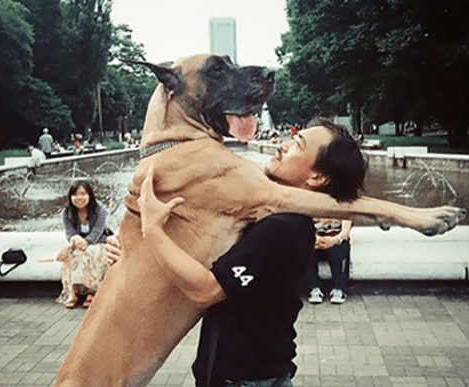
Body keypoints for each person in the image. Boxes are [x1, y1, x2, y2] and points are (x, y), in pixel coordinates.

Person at [107, 118, 366, 386]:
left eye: (297, 145)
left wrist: (152, 231)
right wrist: (132, 254)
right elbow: (202, 258)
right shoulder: (278, 219)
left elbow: (206, 289)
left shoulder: (283, 228)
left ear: (317, 177)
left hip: (246, 379)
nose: (283, 146)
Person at [57, 180, 110, 309]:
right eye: (75, 195)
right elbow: (69, 232)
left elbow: (98, 231)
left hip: (99, 242)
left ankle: (92, 292)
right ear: (70, 197)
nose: (79, 198)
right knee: (70, 255)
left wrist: (86, 242)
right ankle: (72, 292)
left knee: (91, 253)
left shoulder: (100, 210)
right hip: (78, 243)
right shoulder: (67, 212)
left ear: (90, 195)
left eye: (83, 194)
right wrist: (75, 240)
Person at [307, 218, 352, 304]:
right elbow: (305, 228)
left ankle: (338, 288)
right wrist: (316, 239)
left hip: (337, 239)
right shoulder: (312, 207)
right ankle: (314, 288)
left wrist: (333, 240)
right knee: (307, 250)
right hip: (317, 239)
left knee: (336, 252)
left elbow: (345, 232)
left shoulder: (344, 207)